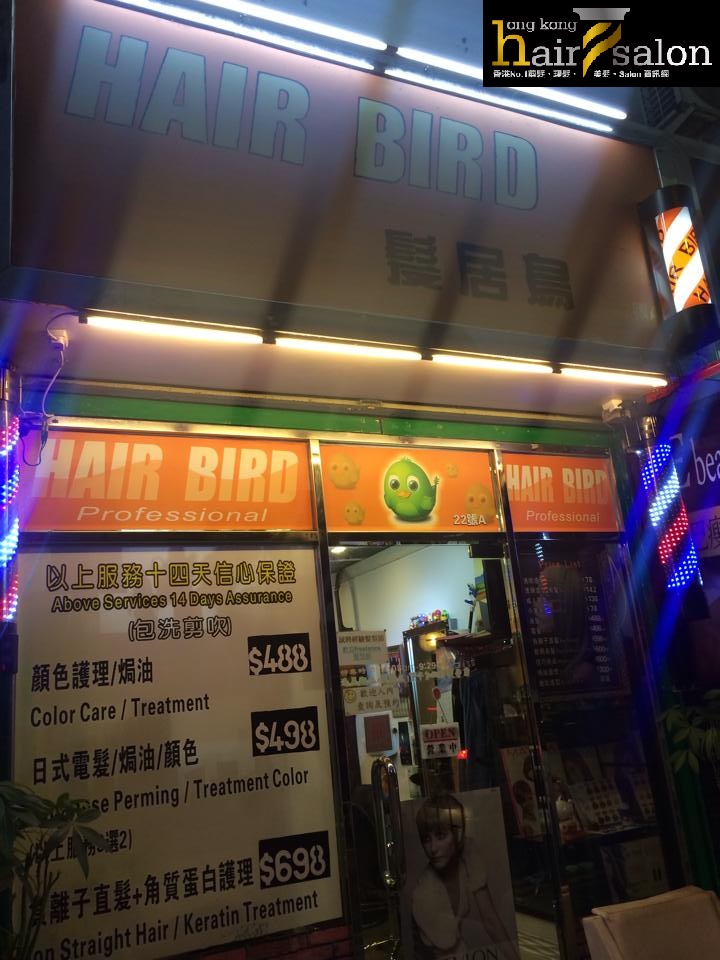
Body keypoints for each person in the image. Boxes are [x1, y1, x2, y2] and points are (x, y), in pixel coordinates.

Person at [410, 793, 520, 960]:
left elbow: (490, 919)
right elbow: (446, 946)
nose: (432, 848)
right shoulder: (423, 894)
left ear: (458, 835)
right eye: (426, 839)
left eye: (440, 836)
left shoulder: (468, 853)